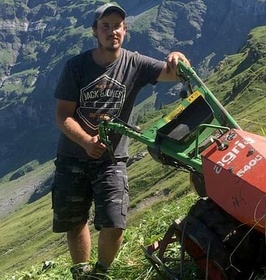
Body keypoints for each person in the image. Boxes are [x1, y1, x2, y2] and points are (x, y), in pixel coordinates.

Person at [52, 3, 190, 280]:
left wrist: (178, 57)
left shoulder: (135, 63)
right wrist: (86, 141)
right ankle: (82, 273)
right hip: (73, 155)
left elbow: (174, 73)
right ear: (95, 31)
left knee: (115, 220)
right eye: (106, 26)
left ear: (125, 30)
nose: (112, 31)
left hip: (112, 158)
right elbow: (63, 115)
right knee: (74, 220)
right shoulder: (76, 67)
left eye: (117, 26)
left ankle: (100, 273)